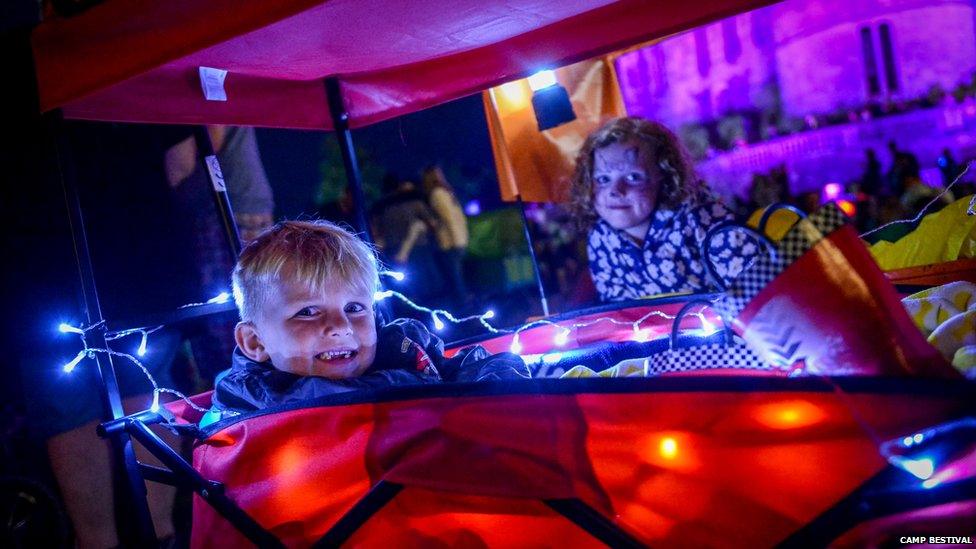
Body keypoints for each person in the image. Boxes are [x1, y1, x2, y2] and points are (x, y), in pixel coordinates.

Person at [207, 220, 529, 417]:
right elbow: (349, 404)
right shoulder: (257, 402)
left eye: (354, 308)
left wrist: (508, 387)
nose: (340, 327)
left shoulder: (400, 347)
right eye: (307, 311)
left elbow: (468, 367)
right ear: (254, 341)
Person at [568, 117, 757, 302]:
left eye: (633, 177)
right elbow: (618, 312)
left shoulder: (701, 218)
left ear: (666, 177)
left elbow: (752, 287)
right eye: (603, 179)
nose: (616, 191)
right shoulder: (600, 238)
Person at [421, 165, 470, 308]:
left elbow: (449, 218)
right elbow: (451, 218)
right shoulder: (442, 193)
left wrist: (456, 240)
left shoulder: (438, 193)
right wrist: (459, 239)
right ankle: (462, 303)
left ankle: (461, 304)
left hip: (451, 240)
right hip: (454, 240)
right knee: (456, 275)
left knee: (454, 275)